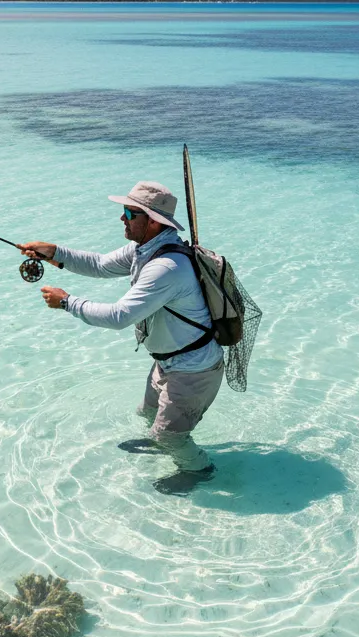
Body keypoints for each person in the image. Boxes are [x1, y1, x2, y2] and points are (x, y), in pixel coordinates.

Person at [18, 180, 224, 495]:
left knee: (171, 438)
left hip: (193, 369)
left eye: (130, 212)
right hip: (168, 362)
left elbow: (120, 317)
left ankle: (200, 470)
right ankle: (160, 439)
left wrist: (67, 303)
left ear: (153, 222)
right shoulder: (147, 247)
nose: (122, 218)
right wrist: (54, 253)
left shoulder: (167, 266)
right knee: (147, 415)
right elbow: (100, 265)